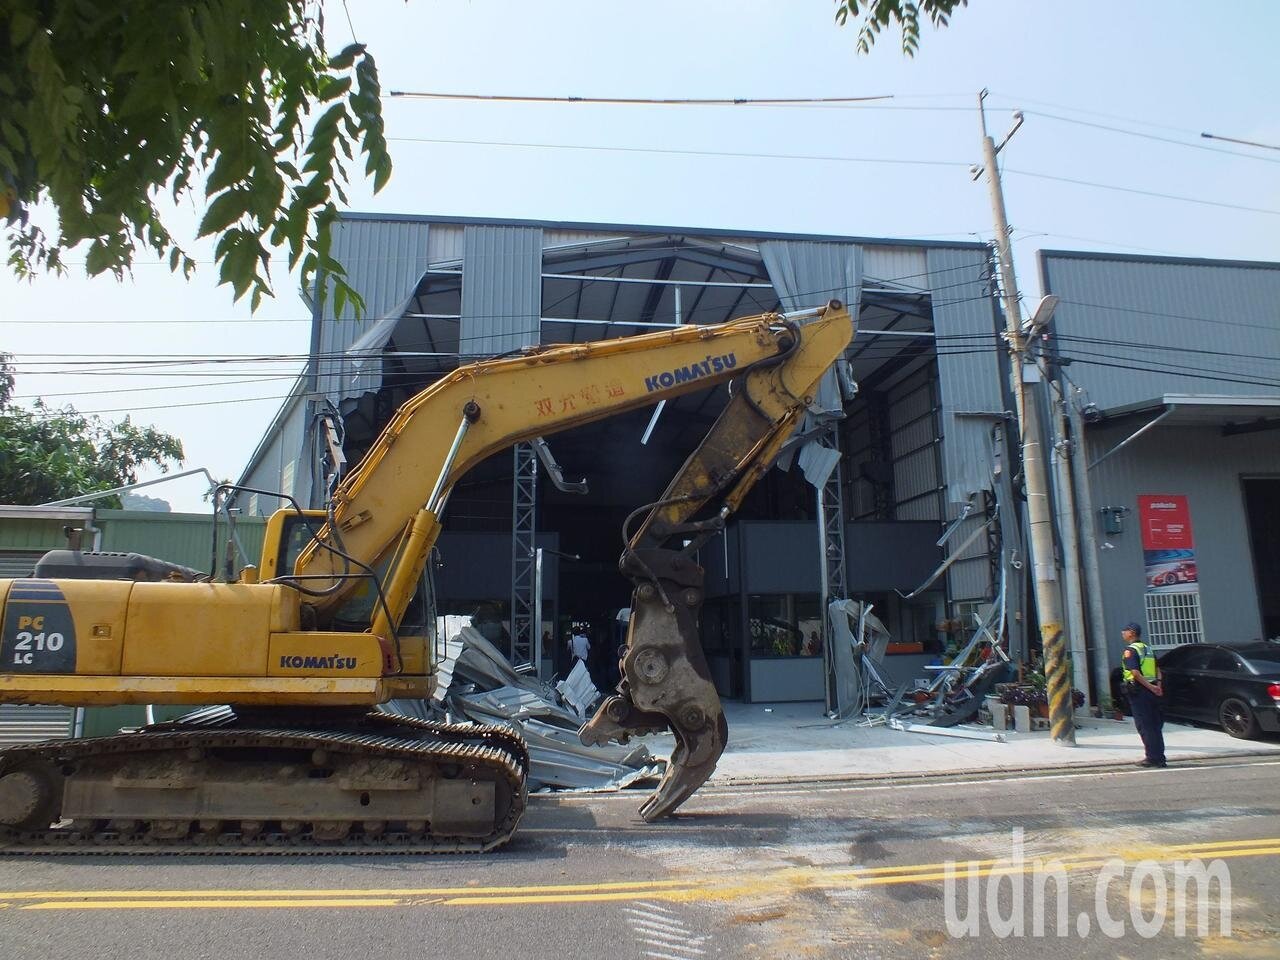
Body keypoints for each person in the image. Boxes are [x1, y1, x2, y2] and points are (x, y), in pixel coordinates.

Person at [1120, 621, 1166, 768]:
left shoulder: (1131, 651)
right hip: (1152, 691)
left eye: (1124, 631)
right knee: (1155, 725)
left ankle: (1152, 758)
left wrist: (1151, 687)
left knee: (1144, 725)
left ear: (1131, 633)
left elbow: (1135, 672)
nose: (1122, 633)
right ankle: (1160, 757)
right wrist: (1157, 686)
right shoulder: (1148, 648)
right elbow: (1158, 669)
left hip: (1140, 691)